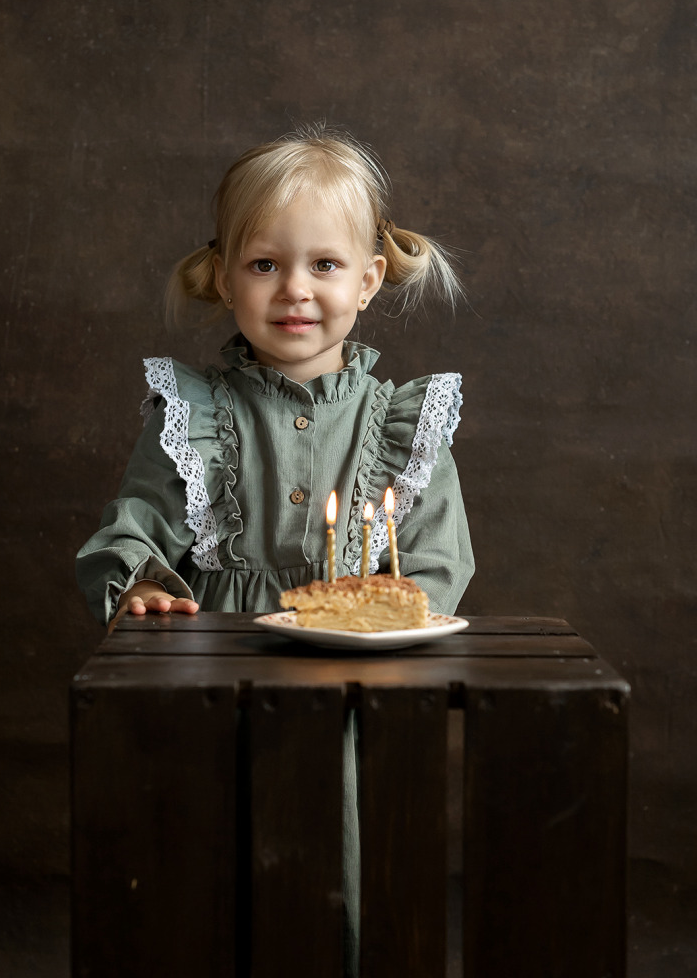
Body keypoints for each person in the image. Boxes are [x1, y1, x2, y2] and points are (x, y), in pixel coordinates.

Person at [75, 124, 474, 974]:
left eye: (324, 265)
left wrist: (387, 607)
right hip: (213, 683)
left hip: (353, 692)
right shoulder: (191, 417)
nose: (295, 289)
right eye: (265, 265)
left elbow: (437, 565)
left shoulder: (405, 427)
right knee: (206, 861)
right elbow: (134, 528)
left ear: (368, 281)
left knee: (340, 865)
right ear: (225, 279)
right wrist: (142, 584)